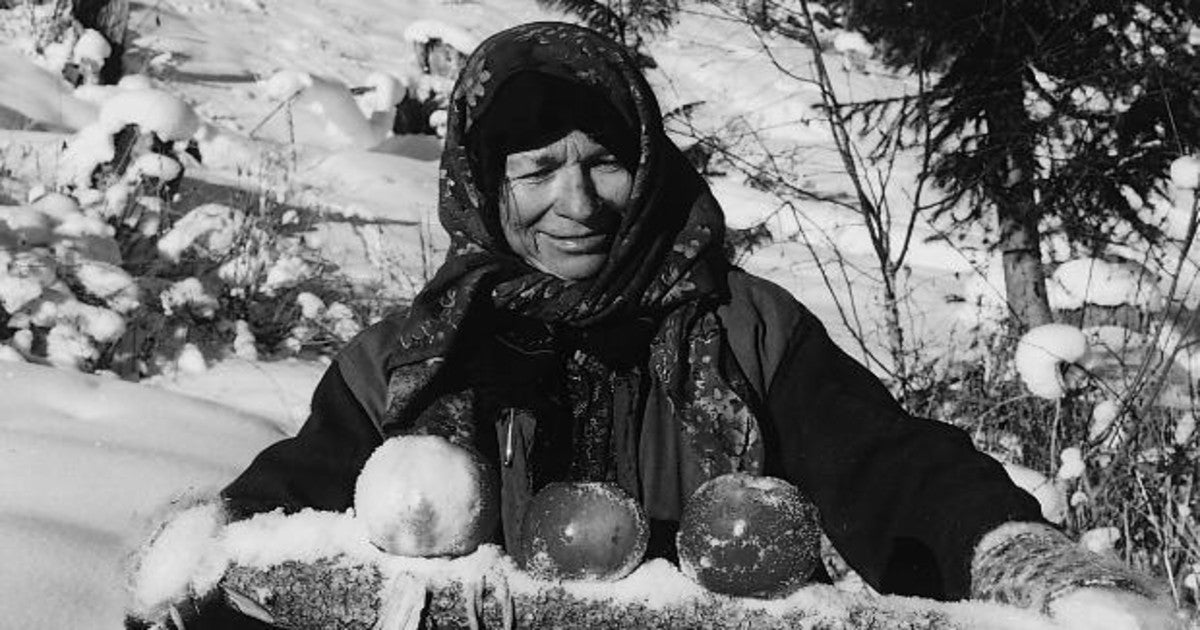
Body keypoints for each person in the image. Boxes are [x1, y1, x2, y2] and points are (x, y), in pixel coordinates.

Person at [126, 21, 1182, 630]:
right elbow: (302, 495)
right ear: (484, 189)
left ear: (651, 160)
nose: (576, 203)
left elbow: (888, 469)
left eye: (606, 161)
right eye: (537, 170)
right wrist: (204, 553)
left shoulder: (746, 327)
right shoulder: (409, 357)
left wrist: (1024, 561)